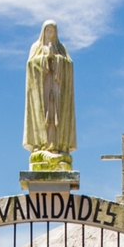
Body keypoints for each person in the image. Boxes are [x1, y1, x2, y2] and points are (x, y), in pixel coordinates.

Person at [23, 20, 76, 170]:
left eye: (53, 31)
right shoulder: (36, 47)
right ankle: (41, 146)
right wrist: (44, 59)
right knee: (43, 120)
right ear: (43, 32)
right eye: (48, 31)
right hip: (42, 91)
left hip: (57, 91)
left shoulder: (62, 49)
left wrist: (58, 60)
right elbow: (30, 66)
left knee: (57, 120)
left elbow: (69, 66)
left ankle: (58, 147)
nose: (50, 34)